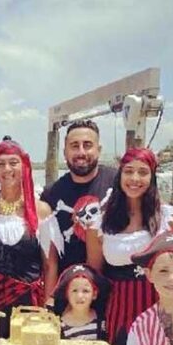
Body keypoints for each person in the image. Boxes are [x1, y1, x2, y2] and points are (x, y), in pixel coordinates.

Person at [86, 147, 173, 345]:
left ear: (152, 177)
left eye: (143, 172)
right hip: (117, 307)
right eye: (129, 171)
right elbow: (95, 274)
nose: (135, 178)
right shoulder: (99, 224)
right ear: (120, 175)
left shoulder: (170, 218)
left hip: (162, 304)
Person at [0, 137, 60, 337]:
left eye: (13, 163)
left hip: (27, 307)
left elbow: (50, 265)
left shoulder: (41, 211)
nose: (7, 169)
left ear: (25, 166)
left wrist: (48, 307)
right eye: (0, 164)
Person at [39, 120, 116, 283]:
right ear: (65, 152)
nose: (81, 152)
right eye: (74, 146)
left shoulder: (118, 183)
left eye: (87, 145)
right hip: (68, 290)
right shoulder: (50, 194)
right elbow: (47, 256)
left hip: (113, 287)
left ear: (99, 150)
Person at [51, 264, 108, 341]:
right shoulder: (61, 326)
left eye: (85, 291)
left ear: (94, 294)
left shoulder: (102, 320)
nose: (79, 296)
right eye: (74, 290)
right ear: (67, 294)